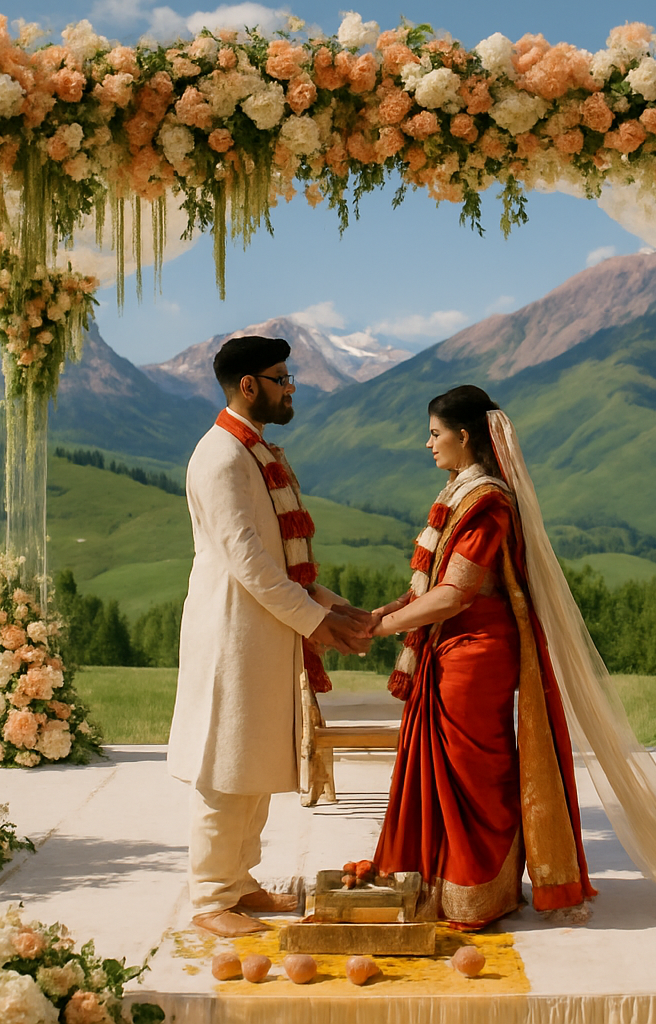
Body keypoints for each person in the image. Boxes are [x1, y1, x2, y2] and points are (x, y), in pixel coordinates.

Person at [368, 385, 595, 930]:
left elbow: (456, 593)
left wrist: (384, 627)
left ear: (464, 436)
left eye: (435, 433)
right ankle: (447, 881)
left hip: (475, 654)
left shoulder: (486, 501)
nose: (428, 444)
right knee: (458, 772)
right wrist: (385, 610)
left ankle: (479, 892)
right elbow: (434, 585)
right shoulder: (461, 493)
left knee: (474, 776)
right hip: (455, 644)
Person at [167, 335, 372, 937]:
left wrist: (334, 606)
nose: (291, 390)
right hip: (232, 635)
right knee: (224, 768)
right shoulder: (222, 456)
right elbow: (250, 563)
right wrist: (318, 622)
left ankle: (239, 883)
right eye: (281, 379)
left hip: (264, 633)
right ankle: (210, 900)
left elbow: (283, 562)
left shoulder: (253, 451)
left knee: (251, 762)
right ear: (248, 385)